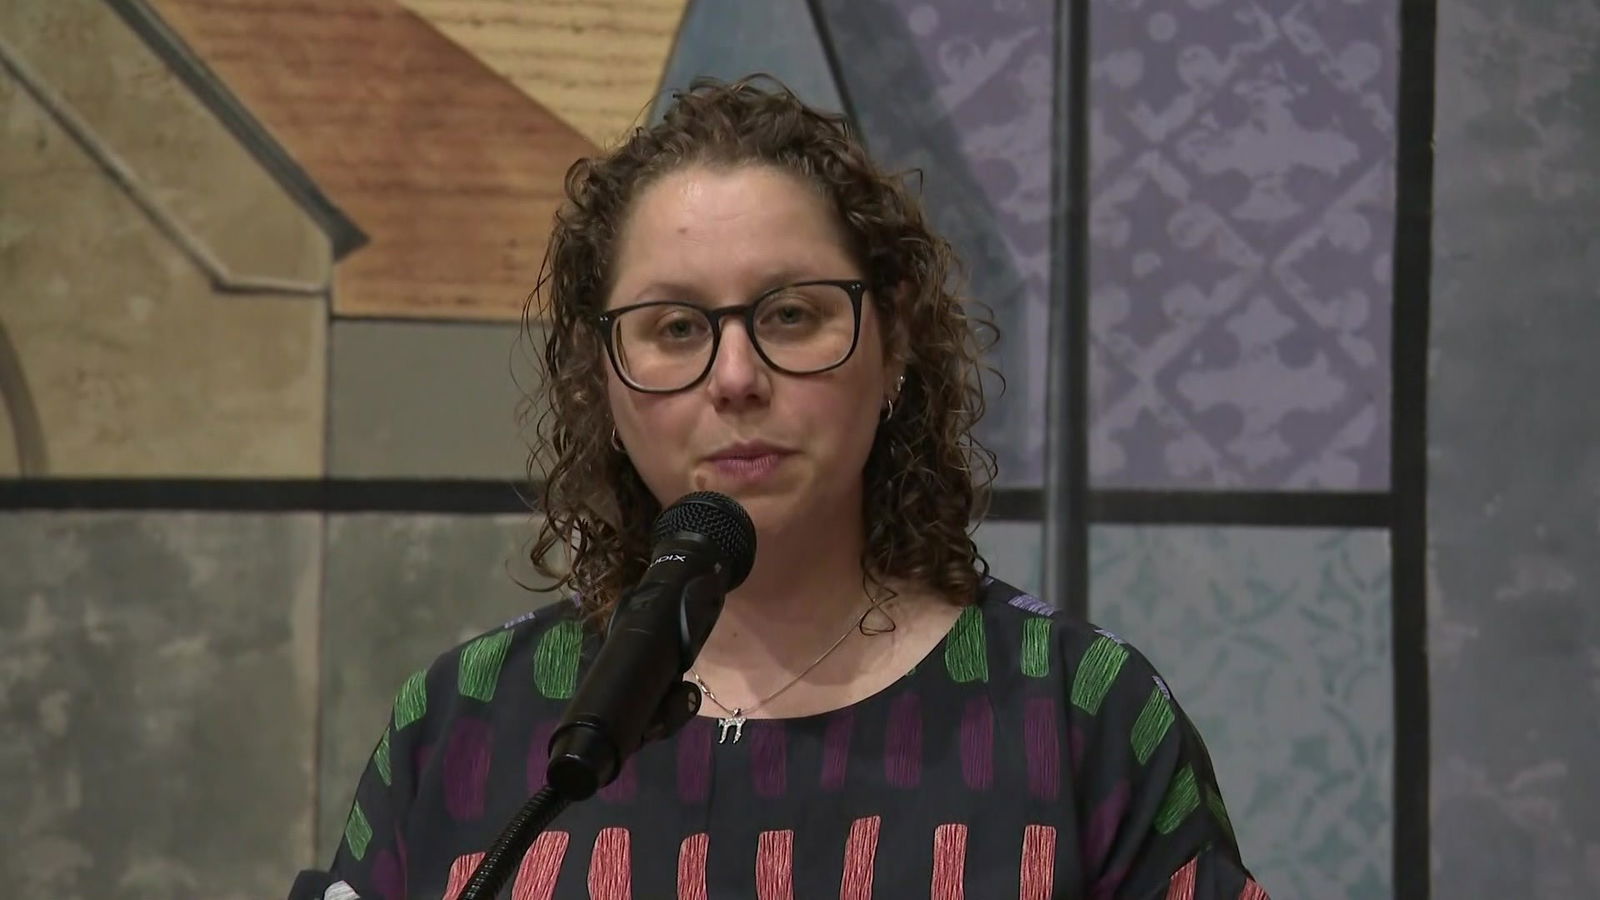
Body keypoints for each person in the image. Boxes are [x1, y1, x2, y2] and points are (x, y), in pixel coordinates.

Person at [290, 76, 1268, 900]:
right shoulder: (463, 724)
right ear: (602, 384)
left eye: (790, 314)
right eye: (674, 328)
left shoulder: (1079, 716)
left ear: (892, 349)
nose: (734, 376)